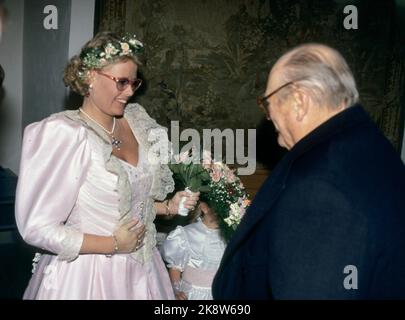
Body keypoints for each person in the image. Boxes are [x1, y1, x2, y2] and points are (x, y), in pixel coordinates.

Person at [15, 31, 199, 300]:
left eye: (134, 83)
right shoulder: (64, 133)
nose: (129, 92)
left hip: (143, 273)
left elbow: (128, 202)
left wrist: (168, 207)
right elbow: (37, 228)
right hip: (87, 277)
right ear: (90, 76)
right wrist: (113, 244)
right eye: (121, 82)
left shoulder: (136, 122)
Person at [212, 43, 405, 299]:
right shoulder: (371, 147)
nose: (268, 119)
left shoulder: (320, 189)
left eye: (267, 104)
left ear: (299, 101)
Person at [161, 159, 250, 300]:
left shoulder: (231, 235)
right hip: (192, 294)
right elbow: (175, 267)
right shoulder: (186, 234)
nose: (225, 211)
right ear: (203, 207)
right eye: (220, 207)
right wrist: (176, 291)